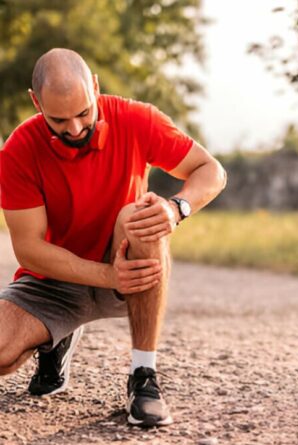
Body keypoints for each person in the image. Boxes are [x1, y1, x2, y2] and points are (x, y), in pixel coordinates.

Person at [0, 48, 226, 428]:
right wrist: (107, 276)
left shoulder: (136, 119)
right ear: (36, 102)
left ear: (95, 88)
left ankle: (144, 376)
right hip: (54, 282)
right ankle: (55, 339)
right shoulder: (17, 151)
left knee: (142, 214)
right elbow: (29, 249)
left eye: (84, 113)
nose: (74, 129)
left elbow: (211, 169)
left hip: (126, 262)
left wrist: (176, 208)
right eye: (58, 119)